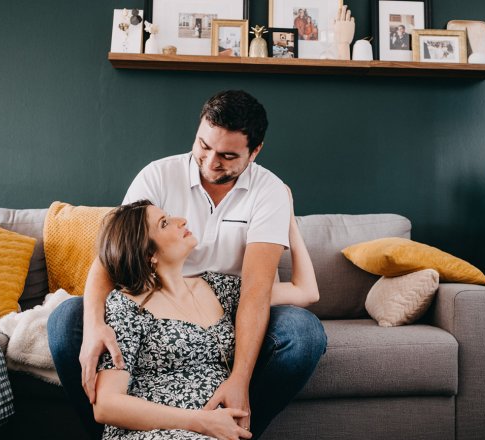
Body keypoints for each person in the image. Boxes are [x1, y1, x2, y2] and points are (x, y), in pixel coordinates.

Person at [48, 90, 328, 440]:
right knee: (65, 320)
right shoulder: (158, 176)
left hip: (224, 304)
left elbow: (256, 293)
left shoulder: (267, 191)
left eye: (227, 156)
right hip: (153, 296)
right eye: (203, 146)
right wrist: (94, 325)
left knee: (303, 333)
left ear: (254, 152)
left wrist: (238, 379)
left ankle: (234, 425)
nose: (211, 162)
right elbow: (113, 255)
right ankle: (111, 431)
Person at [93, 196, 318, 440]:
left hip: (216, 431)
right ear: (149, 254)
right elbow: (106, 405)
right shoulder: (125, 306)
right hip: (155, 431)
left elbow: (306, 291)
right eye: (165, 223)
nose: (181, 221)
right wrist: (200, 422)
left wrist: (288, 220)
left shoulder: (218, 287)